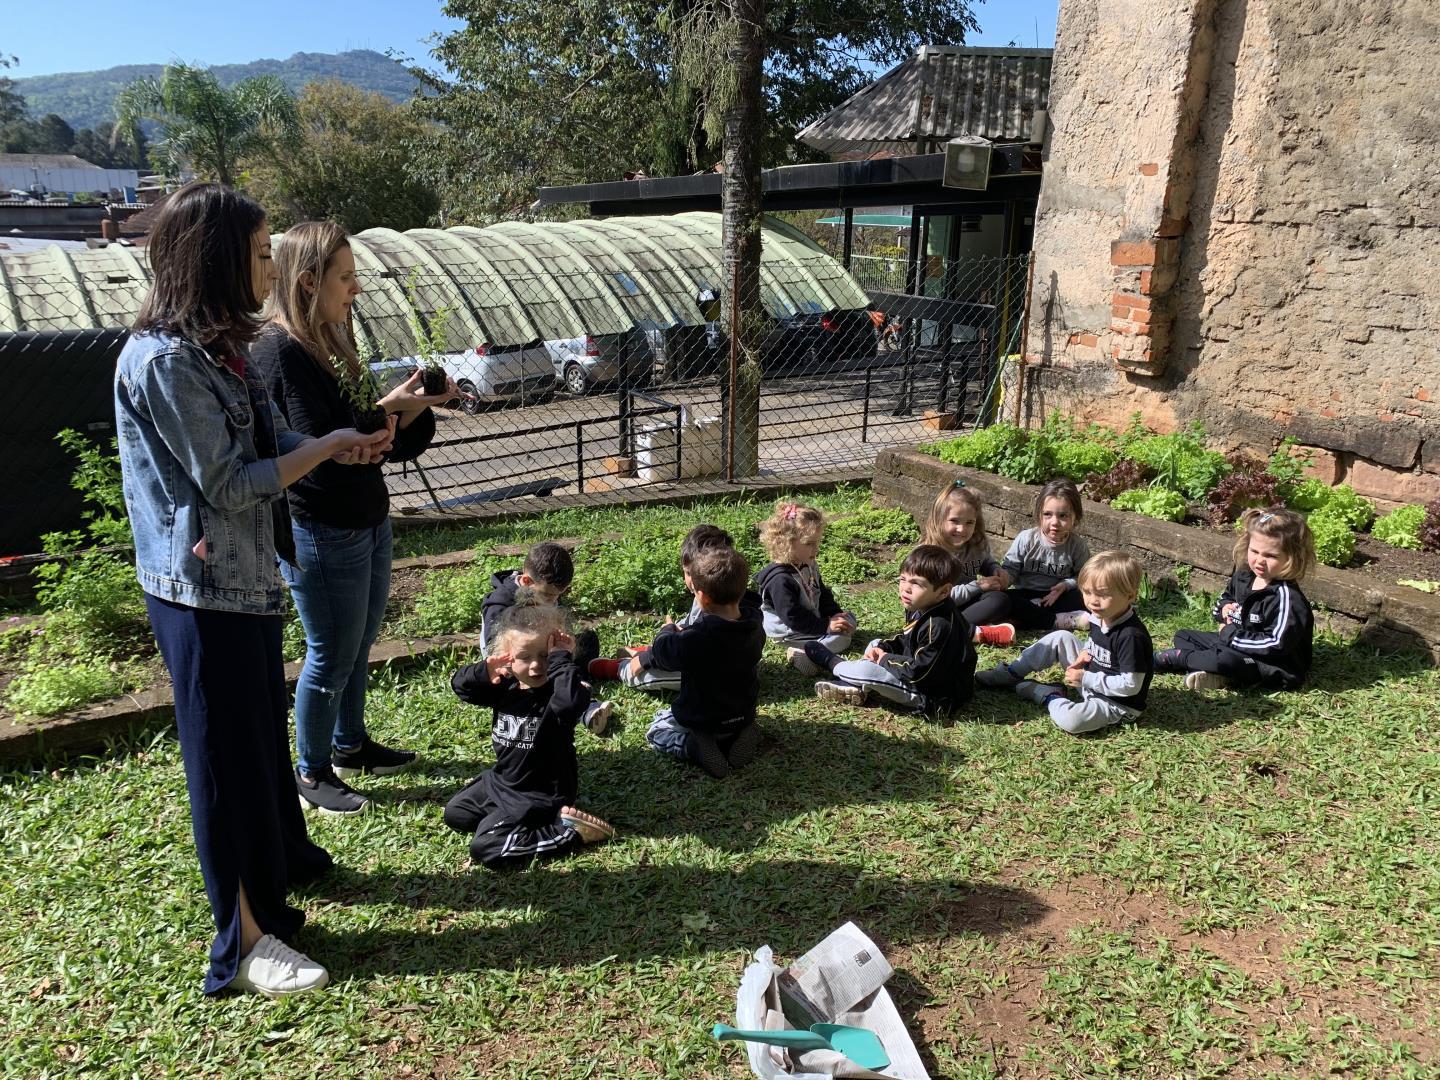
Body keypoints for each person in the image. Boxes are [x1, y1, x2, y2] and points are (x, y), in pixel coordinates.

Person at [114, 182, 390, 997]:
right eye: (262, 253)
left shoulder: (219, 348)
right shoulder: (165, 361)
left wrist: (333, 447)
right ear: (213, 260)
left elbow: (272, 443)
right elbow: (233, 484)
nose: (271, 269)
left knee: (258, 743)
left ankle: (286, 868)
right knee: (225, 766)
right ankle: (243, 943)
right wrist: (329, 445)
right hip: (199, 595)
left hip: (244, 581)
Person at [254, 220, 454, 816]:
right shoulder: (280, 351)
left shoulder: (332, 338)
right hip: (320, 525)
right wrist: (378, 423)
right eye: (346, 277)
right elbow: (312, 454)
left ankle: (350, 745)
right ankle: (311, 771)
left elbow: (370, 434)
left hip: (365, 514)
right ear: (310, 281)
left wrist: (407, 407)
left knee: (359, 639)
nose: (356, 290)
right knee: (330, 651)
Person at [444, 604, 615, 869]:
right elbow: (462, 688)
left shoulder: (561, 690)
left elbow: (570, 704)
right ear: (507, 657)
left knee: (486, 848)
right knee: (455, 814)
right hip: (502, 782)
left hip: (540, 793)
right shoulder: (506, 686)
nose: (536, 665)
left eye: (546, 655)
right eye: (525, 657)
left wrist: (561, 661)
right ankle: (505, 819)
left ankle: (568, 832)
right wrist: (484, 671)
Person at [976, 550, 1154, 733]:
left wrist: (1086, 678)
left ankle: (1050, 695)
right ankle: (1011, 672)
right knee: (1061, 637)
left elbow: (1131, 686)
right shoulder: (1100, 615)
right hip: (1089, 679)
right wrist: (1086, 653)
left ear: (1130, 596)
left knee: (1072, 721)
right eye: (1087, 592)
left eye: (1103, 594)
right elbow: (1098, 644)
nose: (1093, 601)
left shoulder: (1131, 636)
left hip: (1114, 702)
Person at [585, 523, 760, 693]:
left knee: (648, 674)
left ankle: (622, 668)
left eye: (693, 574)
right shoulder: (734, 602)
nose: (691, 581)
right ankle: (646, 651)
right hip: (701, 652)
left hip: (713, 672)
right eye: (688, 573)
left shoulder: (709, 600)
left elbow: (682, 650)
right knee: (679, 633)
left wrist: (650, 657)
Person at [1154, 508, 1315, 691]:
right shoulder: (1244, 577)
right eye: (1254, 551)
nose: (1259, 560)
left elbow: (1275, 644)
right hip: (1236, 643)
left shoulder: (1287, 598)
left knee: (1225, 658)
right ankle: (1218, 673)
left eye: (1270, 556)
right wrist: (1223, 609)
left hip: (1272, 663)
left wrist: (1230, 635)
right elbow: (1225, 598)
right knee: (1183, 636)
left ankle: (1179, 659)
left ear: (1292, 558)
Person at [805, 544, 975, 717]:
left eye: (917, 583)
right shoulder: (919, 605)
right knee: (876, 644)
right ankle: (855, 683)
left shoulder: (940, 625)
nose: (905, 588)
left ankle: (834, 663)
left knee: (868, 671)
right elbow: (906, 639)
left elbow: (919, 673)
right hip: (915, 668)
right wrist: (884, 649)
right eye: (903, 579)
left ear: (943, 591)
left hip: (933, 694)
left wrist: (885, 659)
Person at [641, 547, 766, 779]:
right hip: (742, 712)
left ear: (703, 597)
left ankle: (693, 746)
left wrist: (667, 630)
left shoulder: (697, 638)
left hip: (702, 719)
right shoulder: (755, 625)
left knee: (657, 727)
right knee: (735, 716)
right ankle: (746, 730)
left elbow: (663, 653)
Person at [479, 541, 612, 734]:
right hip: (516, 664)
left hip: (545, 651)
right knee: (543, 680)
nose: (554, 600)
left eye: (559, 595)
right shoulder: (500, 604)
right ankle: (586, 708)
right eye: (549, 596)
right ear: (526, 582)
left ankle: (575, 680)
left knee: (588, 640)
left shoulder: (543, 588)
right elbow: (496, 651)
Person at [958, 479, 1092, 633]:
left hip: (1055, 597)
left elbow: (1083, 577)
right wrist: (1004, 578)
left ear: (1075, 517)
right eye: (1048, 514)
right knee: (1003, 599)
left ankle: (1021, 620)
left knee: (1082, 597)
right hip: (1025, 595)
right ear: (1039, 515)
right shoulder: (1027, 539)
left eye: (1063, 516)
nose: (1055, 522)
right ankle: (1056, 621)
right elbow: (1011, 570)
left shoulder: (1077, 545)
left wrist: (1066, 585)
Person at [753, 501, 857, 673]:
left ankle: (813, 647)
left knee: (849, 620)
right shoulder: (780, 579)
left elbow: (822, 593)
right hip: (790, 631)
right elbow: (793, 617)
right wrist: (826, 626)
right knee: (842, 638)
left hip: (811, 621)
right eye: (809, 543)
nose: (816, 548)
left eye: (818, 542)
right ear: (787, 543)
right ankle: (805, 653)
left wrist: (834, 614)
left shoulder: (807, 564)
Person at [921, 480, 1016, 645]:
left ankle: (960, 629)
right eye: (955, 521)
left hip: (966, 604)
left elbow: (985, 561)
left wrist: (995, 570)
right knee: (938, 617)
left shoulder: (975, 543)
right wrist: (978, 587)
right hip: (937, 610)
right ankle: (960, 631)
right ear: (939, 519)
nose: (962, 529)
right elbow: (937, 597)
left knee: (1002, 599)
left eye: (969, 523)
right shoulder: (930, 554)